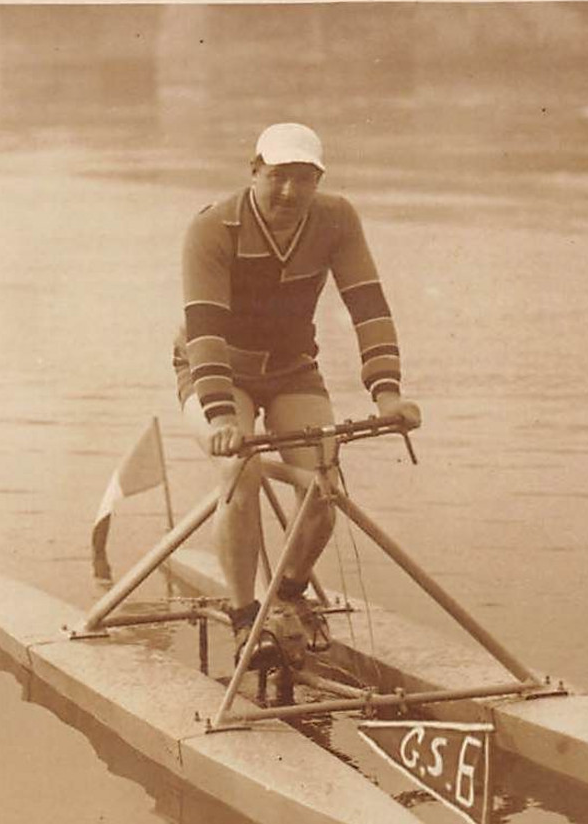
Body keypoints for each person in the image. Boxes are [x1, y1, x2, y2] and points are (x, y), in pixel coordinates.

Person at [173, 122, 422, 665]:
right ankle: (245, 619)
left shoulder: (337, 219)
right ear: (254, 170)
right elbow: (206, 332)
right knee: (240, 470)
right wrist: (221, 419)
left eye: (303, 180)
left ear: (319, 181)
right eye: (278, 178)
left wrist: (388, 395)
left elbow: (368, 306)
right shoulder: (213, 228)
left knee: (323, 491)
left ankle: (285, 596)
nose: (289, 193)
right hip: (217, 371)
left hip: (291, 370)